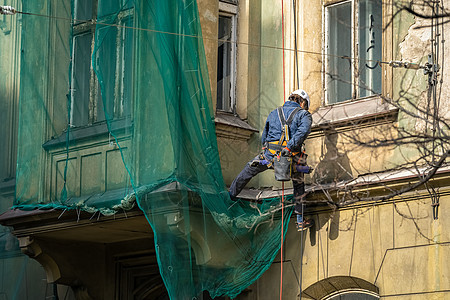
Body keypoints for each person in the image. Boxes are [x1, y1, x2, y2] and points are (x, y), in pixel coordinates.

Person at [229, 89, 313, 231]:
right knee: (298, 184)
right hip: (291, 159)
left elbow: (265, 135)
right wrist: (289, 147)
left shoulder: (274, 113)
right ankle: (300, 221)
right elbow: (303, 132)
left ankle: (229, 197)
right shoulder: (304, 114)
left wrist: (267, 151)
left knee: (249, 169)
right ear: (303, 102)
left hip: (269, 158)